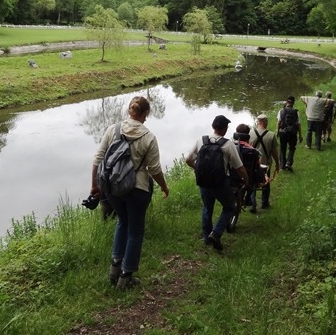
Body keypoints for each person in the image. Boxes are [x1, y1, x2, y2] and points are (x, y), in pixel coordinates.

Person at [90, 96, 169, 290]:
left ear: (129, 111)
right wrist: (164, 187)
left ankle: (114, 269)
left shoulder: (113, 130)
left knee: (122, 222)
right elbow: (154, 169)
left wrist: (95, 186)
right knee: (136, 230)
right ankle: (126, 277)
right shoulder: (149, 137)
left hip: (113, 189)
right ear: (145, 114)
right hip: (137, 189)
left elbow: (98, 159)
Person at [186, 115, 248, 252]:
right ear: (225, 129)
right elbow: (239, 167)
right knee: (230, 207)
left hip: (203, 181)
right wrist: (246, 179)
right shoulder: (228, 144)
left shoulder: (201, 140)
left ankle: (207, 238)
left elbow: (188, 159)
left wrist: (198, 169)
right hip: (220, 182)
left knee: (207, 208)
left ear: (213, 126)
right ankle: (216, 233)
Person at [250, 113, 280, 209]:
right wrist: (277, 163)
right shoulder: (271, 135)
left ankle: (252, 204)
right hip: (265, 164)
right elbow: (274, 152)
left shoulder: (250, 133)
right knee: (266, 182)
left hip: (252, 163)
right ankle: (264, 203)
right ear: (265, 122)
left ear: (258, 122)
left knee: (252, 183)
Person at [233, 123, 262, 214]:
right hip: (246, 177)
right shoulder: (253, 151)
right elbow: (257, 165)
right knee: (252, 181)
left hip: (231, 174)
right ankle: (248, 199)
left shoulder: (229, 146)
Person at [277, 96, 302, 171]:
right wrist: (300, 135)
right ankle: (288, 163)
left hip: (283, 132)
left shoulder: (281, 110)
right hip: (293, 132)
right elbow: (298, 124)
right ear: (293, 102)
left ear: (287, 101)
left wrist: (277, 131)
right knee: (292, 148)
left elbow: (278, 122)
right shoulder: (296, 112)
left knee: (283, 149)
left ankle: (282, 166)